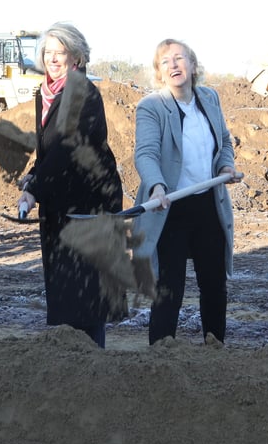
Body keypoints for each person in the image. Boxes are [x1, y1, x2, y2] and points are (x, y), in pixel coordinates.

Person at [16, 22, 123, 348]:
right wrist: (35, 175)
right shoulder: (46, 94)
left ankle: (93, 372)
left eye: (60, 52)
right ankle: (71, 375)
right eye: (48, 52)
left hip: (90, 206)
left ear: (76, 58)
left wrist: (34, 188)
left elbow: (68, 151)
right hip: (61, 205)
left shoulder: (84, 93)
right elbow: (48, 149)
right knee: (66, 295)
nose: (52, 58)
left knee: (88, 298)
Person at [132, 39, 243, 345]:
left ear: (193, 66)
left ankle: (214, 347)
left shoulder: (209, 98)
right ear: (159, 73)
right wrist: (156, 186)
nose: (174, 65)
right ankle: (162, 354)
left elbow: (224, 142)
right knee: (170, 287)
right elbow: (146, 153)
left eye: (179, 58)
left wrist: (225, 169)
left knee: (213, 284)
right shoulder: (152, 107)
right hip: (170, 207)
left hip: (208, 204)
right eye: (165, 62)